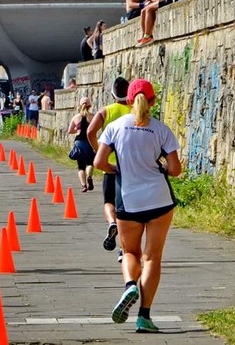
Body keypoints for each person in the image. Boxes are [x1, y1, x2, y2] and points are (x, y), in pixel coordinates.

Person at [93, 78, 181, 333]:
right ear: (152, 102)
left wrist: (116, 169)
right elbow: (175, 170)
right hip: (160, 199)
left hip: (128, 199)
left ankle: (129, 284)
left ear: (128, 101)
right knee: (152, 257)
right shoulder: (162, 130)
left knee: (130, 252)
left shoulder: (115, 127)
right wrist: (162, 167)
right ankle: (144, 316)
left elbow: (99, 162)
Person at [87, 77, 130, 260]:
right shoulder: (135, 111)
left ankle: (112, 222)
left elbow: (90, 132)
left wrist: (99, 151)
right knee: (129, 210)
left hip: (109, 166)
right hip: (130, 167)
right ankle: (125, 249)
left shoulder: (106, 111)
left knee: (109, 202)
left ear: (112, 93)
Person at [67, 97, 95, 192]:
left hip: (79, 142)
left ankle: (83, 185)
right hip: (89, 142)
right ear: (90, 105)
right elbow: (96, 129)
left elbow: (70, 130)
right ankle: (89, 177)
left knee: (80, 165)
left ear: (80, 105)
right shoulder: (93, 117)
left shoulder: (76, 117)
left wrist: (78, 130)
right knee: (90, 162)